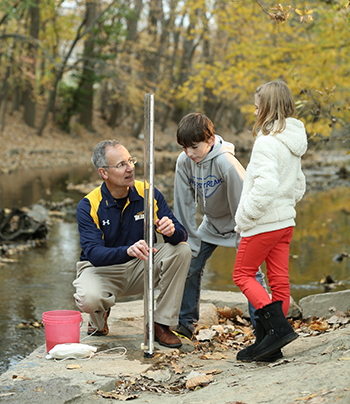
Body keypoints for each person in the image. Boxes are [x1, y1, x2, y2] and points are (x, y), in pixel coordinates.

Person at [73, 140, 192, 349]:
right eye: (121, 164)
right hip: (103, 270)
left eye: (130, 160)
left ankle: (161, 324)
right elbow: (93, 253)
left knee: (182, 250)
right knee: (88, 297)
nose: (130, 168)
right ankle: (99, 316)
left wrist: (172, 231)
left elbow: (182, 235)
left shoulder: (148, 192)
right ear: (104, 173)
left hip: (141, 264)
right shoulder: (89, 204)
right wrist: (126, 250)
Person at [173, 112, 268, 342]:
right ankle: (185, 324)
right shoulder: (185, 161)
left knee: (250, 273)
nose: (189, 153)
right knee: (191, 264)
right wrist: (188, 241)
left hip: (240, 223)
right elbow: (184, 204)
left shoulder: (227, 164)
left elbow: (243, 203)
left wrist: (245, 238)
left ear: (211, 140)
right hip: (212, 224)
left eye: (194, 147)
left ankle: (264, 330)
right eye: (184, 147)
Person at [233, 80, 308, 362]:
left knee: (242, 274)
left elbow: (265, 187)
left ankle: (277, 329)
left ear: (267, 107)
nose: (254, 113)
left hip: (263, 223)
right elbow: (298, 183)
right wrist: (287, 203)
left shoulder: (266, 142)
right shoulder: (293, 140)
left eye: (257, 107)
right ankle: (269, 343)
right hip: (285, 222)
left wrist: (245, 216)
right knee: (280, 283)